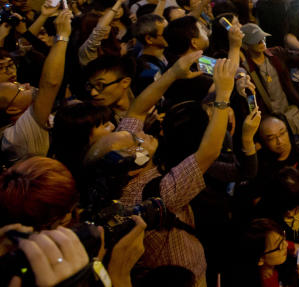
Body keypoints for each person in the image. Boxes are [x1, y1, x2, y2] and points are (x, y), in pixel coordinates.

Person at [84, 53, 239, 286]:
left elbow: (136, 111)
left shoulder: (112, 173)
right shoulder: (155, 194)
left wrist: (174, 72)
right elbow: (208, 153)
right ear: (130, 163)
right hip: (185, 276)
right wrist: (224, 95)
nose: (142, 133)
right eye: (136, 141)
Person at [0, 7, 70, 163]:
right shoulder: (17, 136)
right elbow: (50, 83)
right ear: (11, 108)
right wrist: (63, 36)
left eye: (10, 65)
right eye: (20, 88)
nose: (27, 85)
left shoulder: (15, 115)